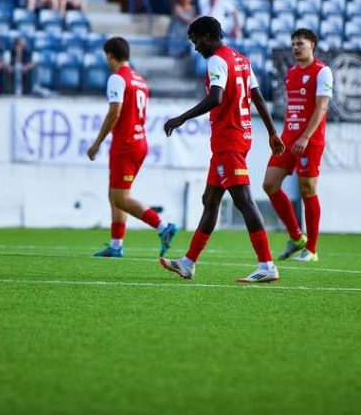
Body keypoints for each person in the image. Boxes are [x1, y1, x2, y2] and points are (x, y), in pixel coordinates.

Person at [160, 16, 285, 283]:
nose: (195, 48)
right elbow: (257, 97)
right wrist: (272, 132)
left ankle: (267, 265)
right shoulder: (240, 58)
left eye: (196, 41)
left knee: (243, 200)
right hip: (235, 138)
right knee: (210, 200)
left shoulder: (217, 60)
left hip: (230, 140)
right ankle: (188, 262)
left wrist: (181, 118)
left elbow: (216, 97)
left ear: (207, 36)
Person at [86, 37, 178, 258]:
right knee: (115, 193)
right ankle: (116, 245)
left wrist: (97, 142)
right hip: (139, 141)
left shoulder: (117, 79)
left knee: (120, 198)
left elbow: (114, 112)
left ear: (109, 55)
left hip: (125, 144)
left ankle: (163, 227)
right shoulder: (139, 80)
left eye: (106, 56)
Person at [262, 29, 333, 263]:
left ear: (312, 45)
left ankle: (311, 249)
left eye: (300, 43)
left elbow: (321, 108)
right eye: (292, 44)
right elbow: (294, 108)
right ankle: (296, 237)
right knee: (270, 184)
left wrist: (305, 137)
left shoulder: (323, 72)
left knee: (307, 190)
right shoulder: (291, 73)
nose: (295, 47)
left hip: (309, 141)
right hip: (288, 139)